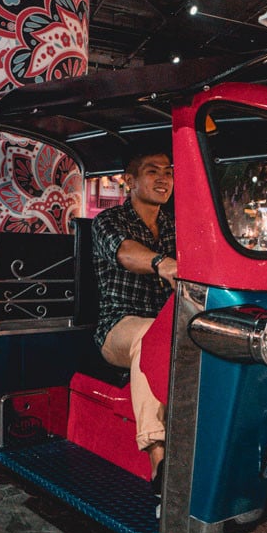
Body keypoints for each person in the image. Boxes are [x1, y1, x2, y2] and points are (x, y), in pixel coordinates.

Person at [92, 152, 177, 507]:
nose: (163, 178)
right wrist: (162, 263)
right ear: (130, 181)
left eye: (168, 172)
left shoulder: (174, 226)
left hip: (169, 326)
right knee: (150, 335)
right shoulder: (109, 220)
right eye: (152, 171)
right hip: (118, 328)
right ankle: (160, 460)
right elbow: (125, 253)